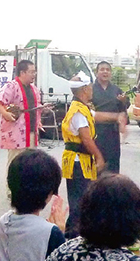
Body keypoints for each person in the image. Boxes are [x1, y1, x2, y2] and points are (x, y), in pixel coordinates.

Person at [0, 60, 47, 194]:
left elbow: (35, 107)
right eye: (32, 72)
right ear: (22, 72)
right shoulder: (12, 86)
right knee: (15, 161)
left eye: (35, 72)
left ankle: (26, 187)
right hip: (16, 130)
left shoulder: (34, 89)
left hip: (30, 129)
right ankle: (12, 190)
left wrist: (39, 121)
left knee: (30, 161)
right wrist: (5, 113)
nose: (34, 75)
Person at [61, 71, 105, 238]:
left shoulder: (81, 107)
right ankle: (73, 236)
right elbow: (86, 139)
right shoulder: (78, 111)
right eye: (90, 87)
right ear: (85, 89)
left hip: (79, 161)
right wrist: (99, 156)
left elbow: (98, 116)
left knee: (80, 199)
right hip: (78, 161)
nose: (92, 89)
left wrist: (116, 116)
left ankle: (74, 234)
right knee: (79, 201)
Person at [92, 61, 129, 174]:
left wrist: (123, 101)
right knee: (96, 166)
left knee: (113, 166)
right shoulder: (91, 89)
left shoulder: (116, 90)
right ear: (97, 72)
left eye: (107, 70)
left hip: (112, 134)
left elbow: (123, 110)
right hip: (96, 131)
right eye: (102, 69)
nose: (105, 72)